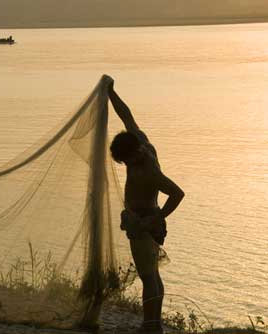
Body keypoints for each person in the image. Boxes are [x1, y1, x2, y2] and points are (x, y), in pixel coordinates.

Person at [107, 77, 185, 334]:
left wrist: (157, 218)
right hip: (144, 219)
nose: (126, 164)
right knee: (152, 275)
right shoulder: (142, 143)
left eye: (126, 160)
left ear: (133, 153)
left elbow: (176, 193)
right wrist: (111, 93)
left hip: (144, 223)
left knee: (148, 277)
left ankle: (150, 326)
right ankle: (153, 324)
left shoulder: (148, 170)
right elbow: (126, 116)